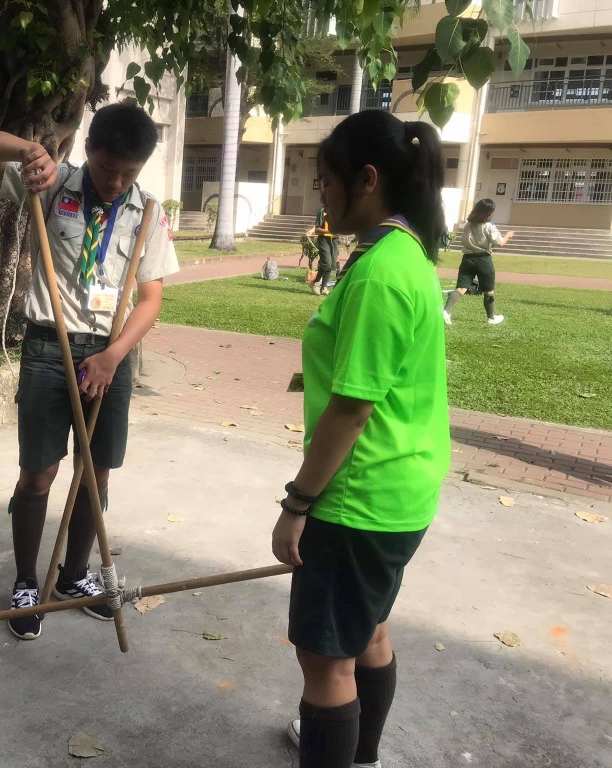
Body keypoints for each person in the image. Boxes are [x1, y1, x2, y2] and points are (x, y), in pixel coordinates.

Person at [271, 110, 450, 768]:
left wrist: (297, 504)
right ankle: (362, 756)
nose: (323, 197)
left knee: (325, 661)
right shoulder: (407, 257)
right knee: (368, 628)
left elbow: (351, 409)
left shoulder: (379, 273)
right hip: (403, 489)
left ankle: (341, 747)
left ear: (366, 179)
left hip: (360, 498)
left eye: (326, 184)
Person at [0, 102, 180, 641]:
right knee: (38, 472)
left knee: (96, 469)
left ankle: (75, 575)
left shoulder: (148, 213)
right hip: (46, 347)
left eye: (129, 172)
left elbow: (151, 297)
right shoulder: (49, 183)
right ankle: (24, 583)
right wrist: (26, 149)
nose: (116, 181)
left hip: (110, 352)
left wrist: (113, 356)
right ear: (89, 152)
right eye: (108, 168)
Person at [443, 198, 513, 326]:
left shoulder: (468, 225)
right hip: (483, 259)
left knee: (461, 288)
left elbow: (464, 240)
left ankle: (446, 312)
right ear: (489, 213)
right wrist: (508, 235)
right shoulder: (489, 226)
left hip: (467, 259)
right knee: (489, 290)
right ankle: (491, 318)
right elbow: (500, 243)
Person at [308, 205, 338, 295]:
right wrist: (331, 231)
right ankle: (315, 283)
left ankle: (323, 287)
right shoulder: (322, 211)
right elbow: (317, 229)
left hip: (334, 240)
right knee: (326, 264)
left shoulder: (339, 211)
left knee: (331, 265)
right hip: (324, 240)